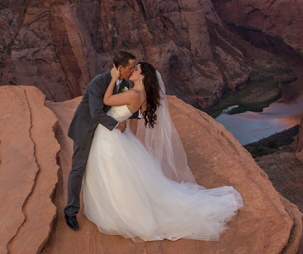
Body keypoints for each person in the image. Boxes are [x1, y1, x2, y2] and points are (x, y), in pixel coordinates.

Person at [81, 61, 243, 241]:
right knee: (115, 171)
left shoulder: (135, 93)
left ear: (143, 75)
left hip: (110, 135)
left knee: (111, 169)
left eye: (136, 69)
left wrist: (113, 79)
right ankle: (115, 207)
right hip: (113, 132)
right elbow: (127, 114)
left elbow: (107, 100)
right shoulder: (136, 92)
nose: (132, 71)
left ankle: (123, 212)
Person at [64, 51, 136, 230]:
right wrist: (117, 125)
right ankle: (71, 211)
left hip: (103, 133)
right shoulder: (99, 82)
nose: (133, 70)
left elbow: (124, 105)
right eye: (130, 68)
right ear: (120, 68)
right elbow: (96, 113)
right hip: (86, 128)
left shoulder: (125, 83)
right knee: (78, 167)